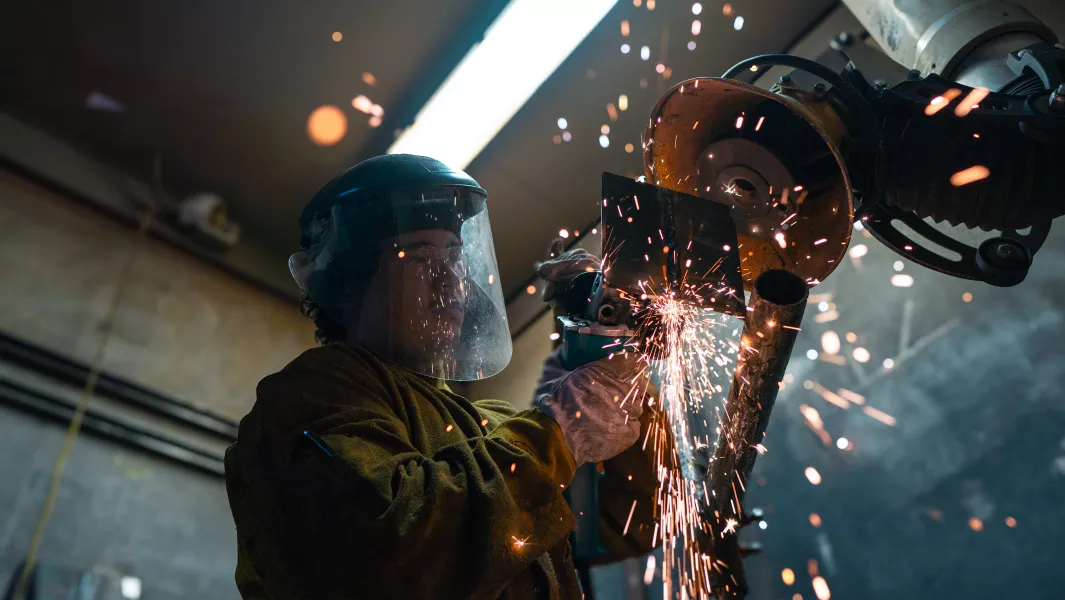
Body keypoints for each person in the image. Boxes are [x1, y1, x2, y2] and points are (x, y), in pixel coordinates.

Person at [224, 154, 660, 600]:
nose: (450, 280)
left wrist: (601, 338)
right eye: (419, 256)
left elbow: (626, 525)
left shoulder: (486, 426)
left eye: (454, 257)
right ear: (351, 282)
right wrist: (557, 435)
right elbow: (389, 552)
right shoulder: (311, 395)